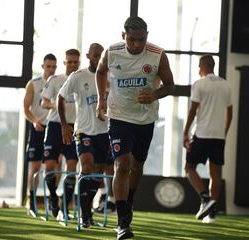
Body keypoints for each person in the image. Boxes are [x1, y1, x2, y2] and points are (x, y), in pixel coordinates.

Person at [96, 16, 174, 240]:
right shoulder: (111, 52)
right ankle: (122, 223)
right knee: (122, 164)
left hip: (145, 119)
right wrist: (102, 98)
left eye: (141, 40)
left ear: (147, 37)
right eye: (132, 40)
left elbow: (170, 85)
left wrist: (154, 95)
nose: (137, 45)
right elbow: (100, 72)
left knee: (137, 166)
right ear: (123, 36)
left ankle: (129, 201)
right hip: (119, 116)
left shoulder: (158, 55)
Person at [57, 43, 111, 227]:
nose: (98, 58)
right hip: (83, 131)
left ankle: (86, 209)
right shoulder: (78, 77)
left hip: (105, 132)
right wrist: (64, 125)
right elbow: (60, 98)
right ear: (88, 56)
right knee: (86, 167)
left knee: (98, 172)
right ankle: (84, 212)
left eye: (101, 55)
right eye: (95, 55)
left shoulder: (110, 76)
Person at [183, 55, 232, 224]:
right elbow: (230, 113)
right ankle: (212, 213)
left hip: (202, 134)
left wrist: (185, 132)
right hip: (219, 136)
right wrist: (223, 132)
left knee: (189, 168)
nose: (197, 70)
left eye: (198, 66)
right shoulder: (226, 84)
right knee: (215, 173)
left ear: (202, 67)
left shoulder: (199, 83)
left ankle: (205, 198)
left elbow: (193, 110)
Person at [41, 49, 80, 218]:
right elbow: (44, 102)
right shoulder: (55, 80)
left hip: (75, 127)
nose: (72, 65)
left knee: (72, 167)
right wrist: (56, 106)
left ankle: (65, 207)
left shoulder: (83, 79)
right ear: (64, 63)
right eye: (69, 62)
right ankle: (52, 198)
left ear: (79, 63)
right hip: (55, 125)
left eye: (75, 62)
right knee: (50, 165)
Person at [23, 53, 57, 215]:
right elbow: (26, 108)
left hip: (54, 128)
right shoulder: (33, 84)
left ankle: (52, 200)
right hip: (38, 128)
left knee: (54, 166)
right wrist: (35, 121)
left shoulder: (59, 83)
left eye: (53, 66)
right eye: (48, 66)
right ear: (43, 66)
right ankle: (31, 202)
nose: (51, 69)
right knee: (35, 166)